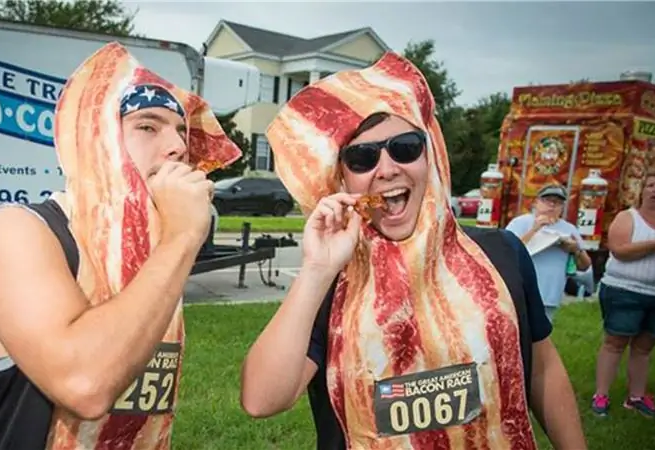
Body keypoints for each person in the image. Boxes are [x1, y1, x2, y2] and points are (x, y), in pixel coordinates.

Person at [240, 53, 586, 449]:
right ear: (342, 178)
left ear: (431, 154)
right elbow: (262, 400)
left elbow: (543, 368)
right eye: (362, 157)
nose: (387, 169)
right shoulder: (336, 277)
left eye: (405, 148)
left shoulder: (501, 253)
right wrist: (317, 270)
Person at [0, 43, 241, 449]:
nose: (178, 147)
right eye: (148, 127)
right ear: (96, 141)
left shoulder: (148, 253)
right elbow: (84, 385)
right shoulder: (19, 231)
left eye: (181, 131)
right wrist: (181, 238)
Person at [590, 168, 655, 418]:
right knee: (615, 342)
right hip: (624, 291)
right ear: (642, 190)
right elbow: (619, 250)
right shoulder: (628, 217)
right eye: (651, 185)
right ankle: (601, 395)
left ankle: (636, 397)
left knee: (644, 347)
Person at [505, 184, 593, 323]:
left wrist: (576, 250)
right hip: (519, 292)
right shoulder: (520, 223)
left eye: (557, 202)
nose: (552, 205)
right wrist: (534, 230)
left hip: (550, 295)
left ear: (562, 207)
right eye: (547, 200)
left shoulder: (569, 229)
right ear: (536, 202)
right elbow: (507, 251)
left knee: (541, 334)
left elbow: (585, 266)